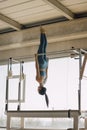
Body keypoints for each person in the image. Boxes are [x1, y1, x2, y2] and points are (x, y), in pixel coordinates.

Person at [35, 27, 49, 107]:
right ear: (40, 89)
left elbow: (47, 71)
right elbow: (37, 68)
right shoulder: (38, 80)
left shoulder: (45, 81)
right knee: (41, 46)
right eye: (38, 90)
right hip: (40, 63)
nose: (37, 89)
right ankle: (42, 32)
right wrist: (35, 58)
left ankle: (44, 33)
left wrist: (47, 62)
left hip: (45, 64)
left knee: (44, 47)